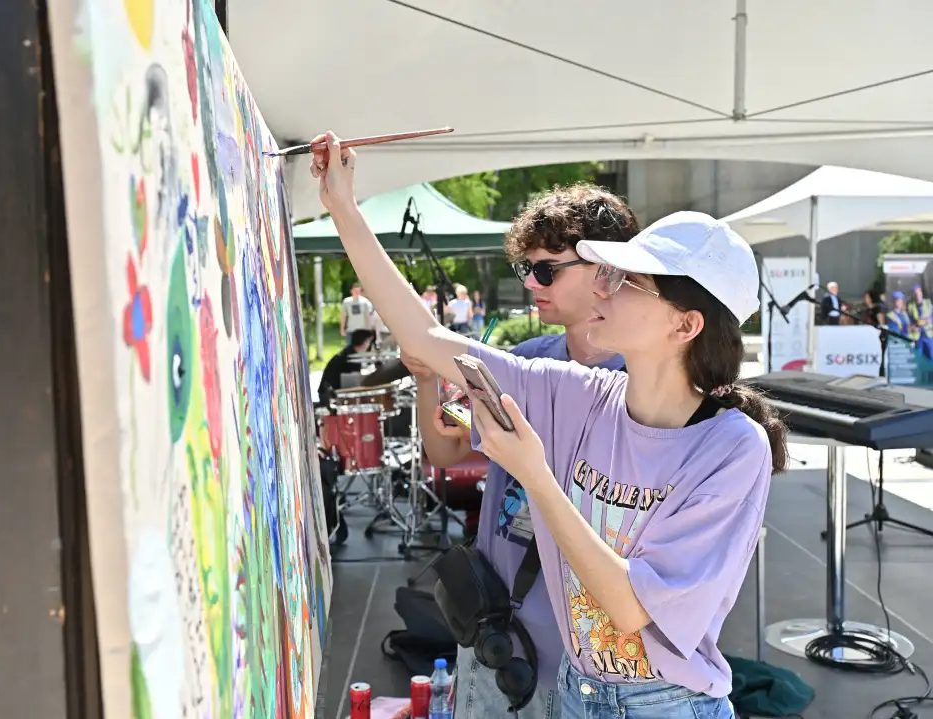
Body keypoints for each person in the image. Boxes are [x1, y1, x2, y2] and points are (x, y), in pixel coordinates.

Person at [309, 131, 786, 718]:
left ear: (685, 326)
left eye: (629, 281)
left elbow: (630, 608)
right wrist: (344, 209)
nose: (604, 288)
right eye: (606, 273)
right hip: (574, 692)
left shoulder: (732, 446)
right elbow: (425, 339)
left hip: (665, 704)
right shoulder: (579, 393)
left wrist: (537, 479)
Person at [402, 183, 638, 719]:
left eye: (548, 269)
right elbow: (443, 449)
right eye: (526, 269)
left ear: (606, 270)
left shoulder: (644, 385)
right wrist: (423, 381)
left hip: (584, 642)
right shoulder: (526, 360)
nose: (532, 282)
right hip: (491, 622)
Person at [316, 329, 374, 406]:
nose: (369, 345)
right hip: (330, 396)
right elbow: (353, 384)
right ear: (363, 342)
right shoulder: (352, 358)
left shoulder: (348, 352)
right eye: (368, 342)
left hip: (327, 391)